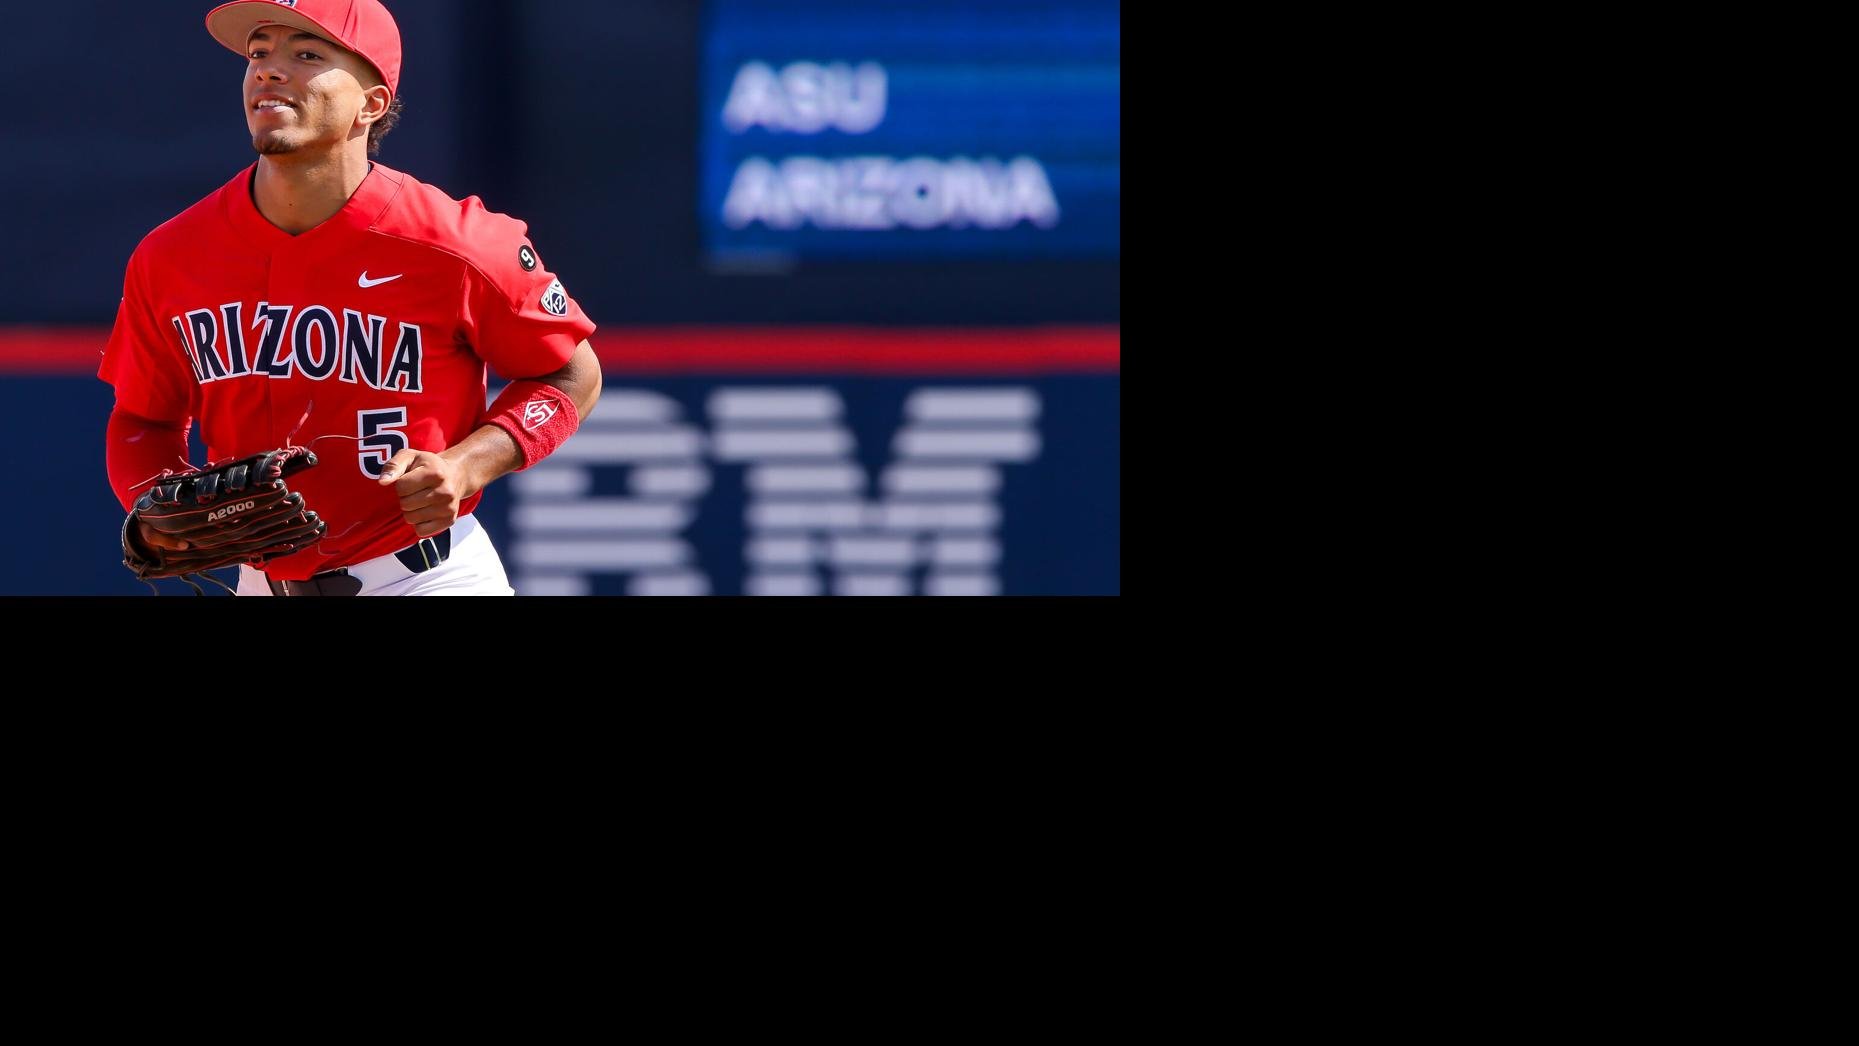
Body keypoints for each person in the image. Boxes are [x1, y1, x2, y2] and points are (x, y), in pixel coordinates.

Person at [99, 0, 602, 596]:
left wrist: (468, 464)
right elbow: (143, 417)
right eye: (259, 53)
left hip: (424, 575)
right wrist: (155, 504)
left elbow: (570, 376)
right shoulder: (172, 255)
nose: (269, 70)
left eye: (307, 54)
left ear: (372, 103)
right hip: (260, 583)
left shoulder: (457, 243)